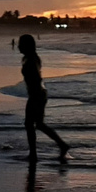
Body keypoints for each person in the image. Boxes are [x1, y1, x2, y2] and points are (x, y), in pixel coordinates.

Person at [20, 34, 68, 164]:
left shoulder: (31, 60)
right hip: (38, 94)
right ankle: (61, 145)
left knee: (30, 124)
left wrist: (34, 95)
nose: (18, 46)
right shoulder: (29, 58)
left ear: (27, 45)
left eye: (21, 43)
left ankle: (33, 154)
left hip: (37, 95)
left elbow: (36, 78)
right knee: (38, 124)